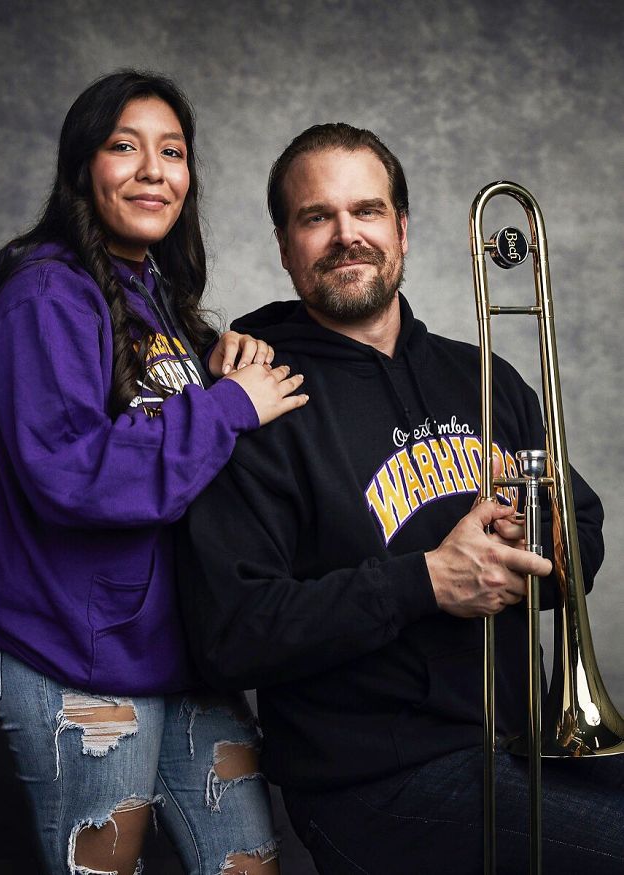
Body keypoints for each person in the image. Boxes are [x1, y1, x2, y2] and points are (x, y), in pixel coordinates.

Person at [178, 123, 624, 874]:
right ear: (285, 245)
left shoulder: (484, 375)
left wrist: (527, 540)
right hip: (374, 784)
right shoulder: (254, 403)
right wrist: (427, 580)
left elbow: (584, 528)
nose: (347, 235)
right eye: (316, 217)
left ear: (403, 229)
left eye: (368, 211)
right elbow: (233, 632)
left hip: (520, 744)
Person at [0, 70, 307, 875]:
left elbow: (159, 431)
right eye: (125, 146)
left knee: (248, 860)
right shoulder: (45, 292)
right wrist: (226, 409)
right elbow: (76, 475)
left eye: (172, 151)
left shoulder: (151, 291)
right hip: (77, 659)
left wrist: (218, 372)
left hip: (182, 652)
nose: (154, 169)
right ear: (85, 165)